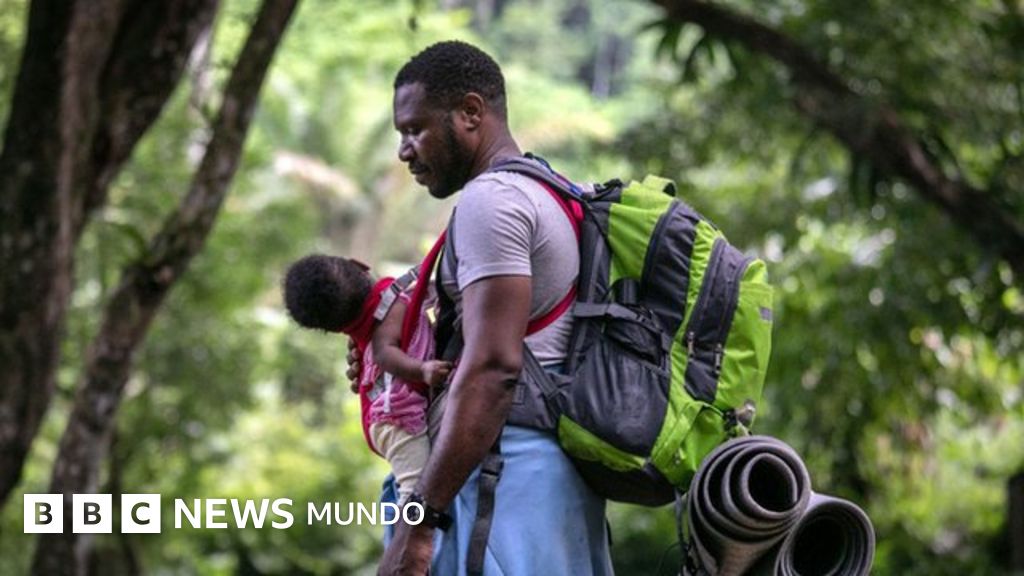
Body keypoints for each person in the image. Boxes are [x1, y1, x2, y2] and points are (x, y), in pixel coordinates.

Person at [370, 40, 614, 575]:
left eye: (415, 129)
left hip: (502, 482)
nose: (405, 151)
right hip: (554, 485)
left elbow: (493, 369)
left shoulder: (492, 201)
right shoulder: (555, 190)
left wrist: (419, 523)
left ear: (471, 113)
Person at [283, 254, 451, 503]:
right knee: (416, 494)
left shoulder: (393, 295)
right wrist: (423, 370)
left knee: (419, 492)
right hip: (395, 420)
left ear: (333, 329)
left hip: (389, 419)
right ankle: (410, 536)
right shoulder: (383, 321)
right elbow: (385, 355)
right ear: (360, 264)